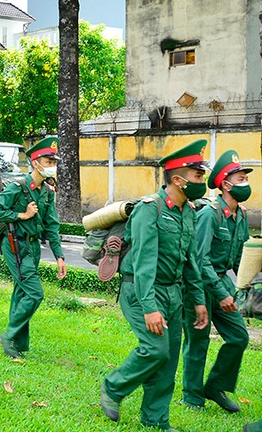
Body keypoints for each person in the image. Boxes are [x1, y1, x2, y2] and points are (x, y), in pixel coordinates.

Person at [100, 140, 209, 430]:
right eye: (198, 176)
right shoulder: (150, 209)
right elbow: (145, 261)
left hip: (174, 293)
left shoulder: (188, 211)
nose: (203, 181)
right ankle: (113, 387)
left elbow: (191, 261)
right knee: (155, 349)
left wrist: (198, 300)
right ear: (178, 179)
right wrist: (150, 307)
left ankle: (155, 419)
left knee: (169, 360)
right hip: (141, 290)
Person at [182, 149, 251, 413]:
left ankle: (214, 386)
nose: (246, 184)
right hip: (199, 285)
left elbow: (239, 259)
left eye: (246, 178)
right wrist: (221, 292)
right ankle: (192, 396)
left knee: (238, 337)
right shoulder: (210, 214)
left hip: (222, 285)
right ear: (225, 185)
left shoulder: (241, 216)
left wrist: (249, 283)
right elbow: (199, 260)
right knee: (198, 340)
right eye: (241, 179)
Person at [0, 136, 67, 358]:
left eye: (54, 162)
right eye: (49, 162)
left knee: (21, 291)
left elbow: (52, 225)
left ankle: (18, 344)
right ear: (35, 162)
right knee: (34, 293)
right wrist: (22, 215)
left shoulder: (47, 191)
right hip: (15, 246)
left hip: (32, 249)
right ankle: (10, 335)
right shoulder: (19, 187)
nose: (53, 166)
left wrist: (59, 256)